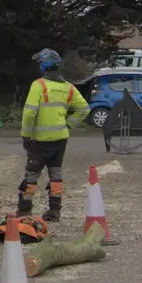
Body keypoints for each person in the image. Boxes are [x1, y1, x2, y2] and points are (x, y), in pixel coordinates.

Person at [18, 47, 89, 221]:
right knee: (56, 175)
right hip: (60, 140)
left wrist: (26, 136)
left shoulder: (38, 85)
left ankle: (25, 210)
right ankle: (55, 211)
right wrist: (68, 124)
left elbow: (29, 113)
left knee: (32, 174)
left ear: (44, 67)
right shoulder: (68, 87)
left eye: (40, 64)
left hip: (40, 141)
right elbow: (84, 109)